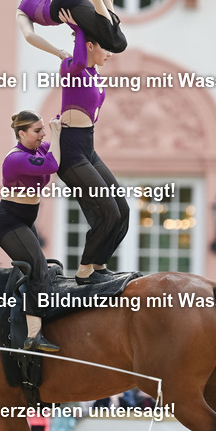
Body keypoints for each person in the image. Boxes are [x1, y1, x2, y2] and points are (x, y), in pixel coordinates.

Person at [53, 16, 130, 282]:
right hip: (72, 152)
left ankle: (99, 264)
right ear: (89, 45)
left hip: (89, 147)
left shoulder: (94, 73)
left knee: (123, 210)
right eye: (105, 47)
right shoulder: (71, 69)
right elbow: (78, 54)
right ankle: (85, 270)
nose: (109, 54)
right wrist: (78, 26)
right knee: (107, 210)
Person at [0, 111, 64, 352]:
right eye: (37, 131)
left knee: (39, 265)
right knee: (38, 267)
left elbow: (52, 145)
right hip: (9, 223)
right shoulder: (16, 158)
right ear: (21, 134)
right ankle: (33, 335)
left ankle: (30, 312)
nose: (43, 134)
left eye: (43, 129)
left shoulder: (36, 150)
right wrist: (56, 133)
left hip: (25, 220)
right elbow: (53, 164)